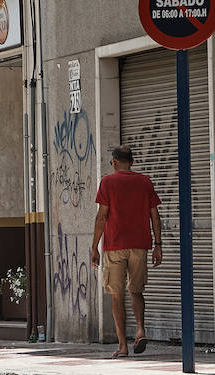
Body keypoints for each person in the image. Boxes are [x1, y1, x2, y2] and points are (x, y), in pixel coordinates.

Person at [91, 145, 162, 359]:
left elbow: (101, 217)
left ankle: (122, 346)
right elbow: (155, 215)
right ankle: (140, 329)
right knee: (136, 291)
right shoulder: (145, 182)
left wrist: (94, 247)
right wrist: (158, 244)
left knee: (117, 295)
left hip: (115, 246)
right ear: (132, 162)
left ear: (114, 162)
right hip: (140, 245)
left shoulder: (107, 182)